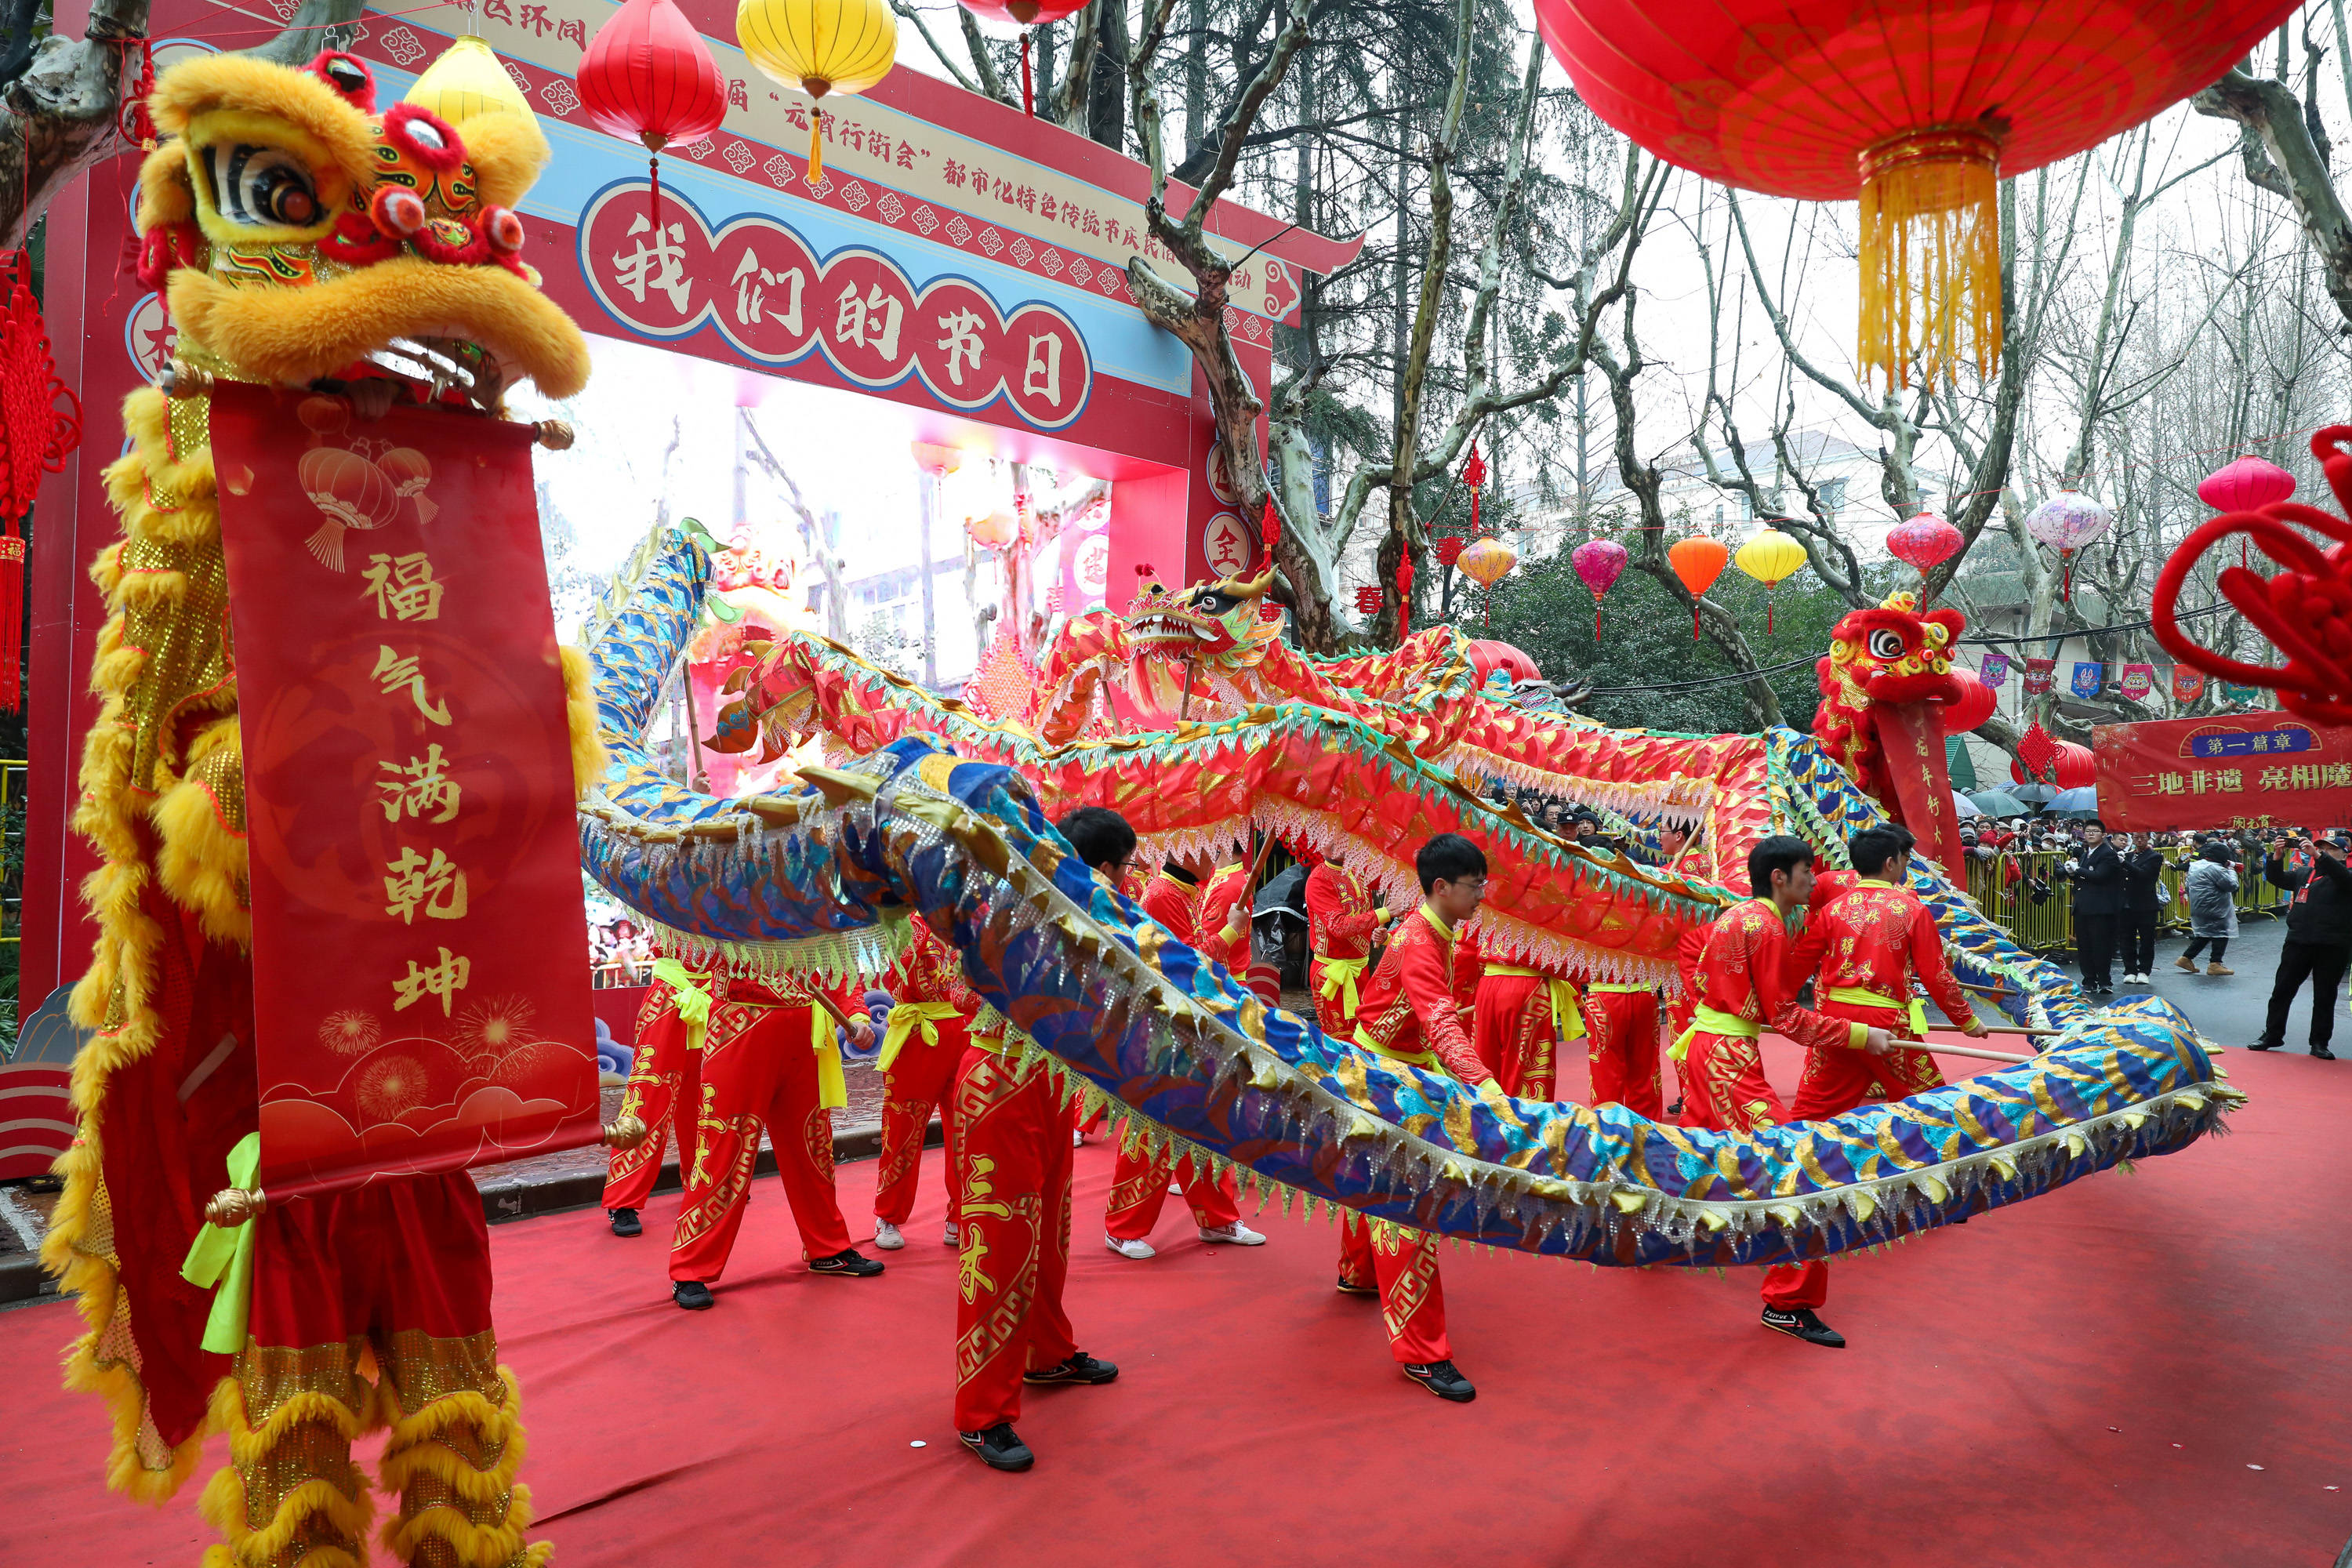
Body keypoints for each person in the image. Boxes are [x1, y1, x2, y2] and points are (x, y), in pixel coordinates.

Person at [953, 805, 1128, 1472]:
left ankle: (1048, 1355)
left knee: (1048, 1234)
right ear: (1103, 868)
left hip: (1049, 1083)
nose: (1128, 882)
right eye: (1125, 870)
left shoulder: (1085, 915)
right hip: (999, 1083)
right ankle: (982, 1413)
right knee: (999, 1247)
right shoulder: (1014, 907)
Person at [1675, 835, 1894, 1350]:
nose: (1812, 881)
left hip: (1708, 1047)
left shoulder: (1736, 915)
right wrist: (1861, 1035)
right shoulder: (1767, 924)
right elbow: (1787, 1017)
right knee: (1797, 1167)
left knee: (1696, 1151)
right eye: (1805, 871)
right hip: (1728, 1057)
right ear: (1779, 877)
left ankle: (1654, 1233)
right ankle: (1788, 1304)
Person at [1341, 833, 1502, 1403]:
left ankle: (1356, 1272)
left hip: (1392, 1066)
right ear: (1441, 887)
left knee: (1371, 1186)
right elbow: (1438, 1017)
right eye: (1474, 885)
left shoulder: (1434, 930)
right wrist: (1484, 1084)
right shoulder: (1417, 938)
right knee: (1408, 1209)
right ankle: (1423, 1352)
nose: (1481, 894)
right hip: (1385, 1080)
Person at [655, 938, 884, 1309]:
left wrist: (855, 1014)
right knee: (723, 1144)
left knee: (812, 1144)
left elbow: (835, 965)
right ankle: (691, 1267)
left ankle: (828, 1248)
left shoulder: (815, 900)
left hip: (804, 1030)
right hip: (739, 1026)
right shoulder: (722, 897)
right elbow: (693, 953)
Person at [1109, 854, 1265, 1256]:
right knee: (1152, 1126)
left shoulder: (1185, 891)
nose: (1213, 856)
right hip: (1163, 1029)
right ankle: (1122, 1226)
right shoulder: (1162, 895)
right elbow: (1184, 964)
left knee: (1208, 1119)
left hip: (1192, 1025)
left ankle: (1218, 1218)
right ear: (1185, 852)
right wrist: (1230, 932)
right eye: (1206, 847)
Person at [1786, 825, 1987, 1121]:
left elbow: (1799, 964)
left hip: (1833, 1019)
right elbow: (1935, 975)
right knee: (1927, 1110)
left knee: (1814, 1110)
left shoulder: (1833, 910)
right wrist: (1967, 1021)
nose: (1905, 866)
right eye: (1904, 860)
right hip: (1886, 1021)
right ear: (1890, 863)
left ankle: (1789, 1158)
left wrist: (1770, 1004)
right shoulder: (1911, 909)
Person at [871, 919, 983, 1252]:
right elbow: (893, 975)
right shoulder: (907, 920)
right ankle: (888, 1215)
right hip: (918, 1033)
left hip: (964, 1031)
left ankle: (960, 1216)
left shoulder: (968, 917)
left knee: (967, 1129)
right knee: (903, 1128)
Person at [2250, 829, 2352, 1060]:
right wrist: (2276, 856)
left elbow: (2342, 878)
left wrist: (2318, 856)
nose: (2323, 851)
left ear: (2344, 854)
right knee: (2282, 990)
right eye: (2321, 847)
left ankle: (2319, 1042)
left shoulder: (2346, 875)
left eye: (2329, 849)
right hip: (2298, 941)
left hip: (2332, 944)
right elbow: (2278, 879)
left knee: (2325, 995)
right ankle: (2272, 1034)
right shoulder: (2305, 873)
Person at [1305, 853, 1388, 1039]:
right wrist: (1384, 913)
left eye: (1340, 834)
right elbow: (1339, 926)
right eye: (1327, 835)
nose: (1334, 840)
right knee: (1340, 1041)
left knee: (1362, 1037)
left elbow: (1390, 879)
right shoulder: (1319, 879)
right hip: (1333, 974)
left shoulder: (1359, 869)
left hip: (1360, 970)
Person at [2063, 819, 2125, 996]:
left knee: (2101, 945)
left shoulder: (2108, 853)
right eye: (2088, 830)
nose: (2090, 834)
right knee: (2085, 945)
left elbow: (2100, 876)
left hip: (2101, 908)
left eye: (2095, 831)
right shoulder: (2086, 853)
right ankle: (2089, 980)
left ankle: (2104, 981)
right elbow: (2084, 878)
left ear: (2103, 835)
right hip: (2083, 905)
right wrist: (2071, 873)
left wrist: (2079, 871)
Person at [2176, 840, 2241, 975]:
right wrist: (2231, 870)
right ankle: (2215, 963)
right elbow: (2232, 885)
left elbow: (2188, 886)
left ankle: (2186, 958)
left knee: (2205, 933)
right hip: (2216, 906)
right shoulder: (2215, 868)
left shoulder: (2195, 866)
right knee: (2222, 933)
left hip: (2198, 905)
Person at [2118, 833, 2167, 985]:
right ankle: (2130, 970)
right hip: (2126, 903)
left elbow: (2144, 875)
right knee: (2127, 938)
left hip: (2145, 904)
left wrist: (2124, 863)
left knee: (2147, 940)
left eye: (2143, 838)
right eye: (2136, 837)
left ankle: (2144, 970)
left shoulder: (2155, 857)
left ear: (2148, 839)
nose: (2139, 841)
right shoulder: (2127, 855)